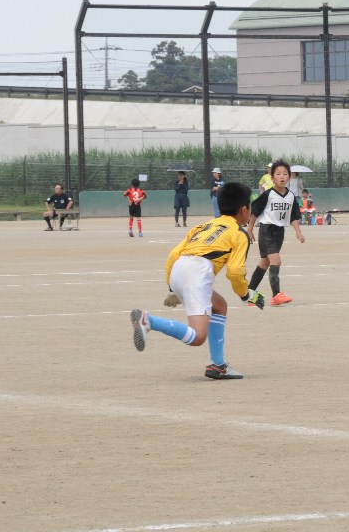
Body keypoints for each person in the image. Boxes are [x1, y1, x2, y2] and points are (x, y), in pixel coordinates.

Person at [129, 181, 265, 380]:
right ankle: (149, 321)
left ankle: (218, 365)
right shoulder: (239, 234)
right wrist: (246, 295)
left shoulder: (204, 226)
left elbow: (173, 255)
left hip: (179, 267)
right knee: (198, 336)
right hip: (197, 273)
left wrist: (172, 288)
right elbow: (235, 272)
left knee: (219, 306)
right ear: (244, 210)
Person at [246, 160, 305, 306]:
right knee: (276, 261)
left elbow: (293, 216)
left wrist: (298, 232)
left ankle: (250, 295)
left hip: (279, 232)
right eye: (278, 174)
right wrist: (250, 229)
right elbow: (254, 212)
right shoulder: (268, 194)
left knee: (264, 263)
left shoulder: (290, 196)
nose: (282, 176)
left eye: (285, 173)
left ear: (289, 176)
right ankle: (276, 295)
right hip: (267, 230)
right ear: (272, 178)